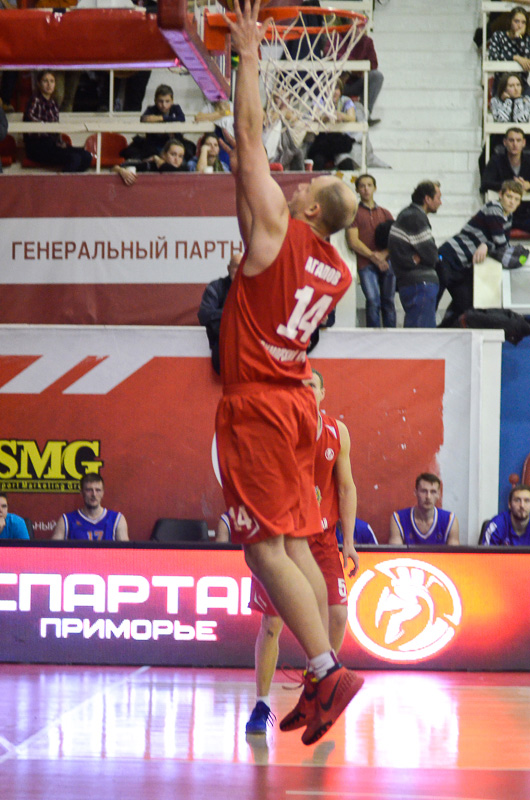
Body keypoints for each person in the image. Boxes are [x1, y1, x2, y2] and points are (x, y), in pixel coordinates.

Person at [216, 0, 361, 748]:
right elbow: (260, 210)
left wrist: (249, 55)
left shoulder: (279, 227)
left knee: (260, 548)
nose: (297, 182)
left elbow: (249, 140)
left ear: (308, 203)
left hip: (259, 406)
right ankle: (317, 674)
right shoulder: (336, 269)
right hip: (298, 403)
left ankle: (328, 669)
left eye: (307, 183)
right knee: (297, 542)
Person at [246, 368, 359, 735]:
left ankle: (319, 686)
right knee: (272, 622)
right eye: (302, 386)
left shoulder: (337, 432)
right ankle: (262, 704)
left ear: (323, 392)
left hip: (322, 537)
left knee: (337, 615)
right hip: (283, 535)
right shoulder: (278, 429)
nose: (307, 390)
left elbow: (346, 488)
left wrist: (349, 541)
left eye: (313, 385)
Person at [437, 180, 523, 326]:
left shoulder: (508, 217)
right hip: (449, 257)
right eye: (509, 196)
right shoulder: (494, 208)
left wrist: (486, 245)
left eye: (516, 199)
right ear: (500, 195)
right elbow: (501, 244)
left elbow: (502, 245)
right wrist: (488, 245)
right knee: (434, 299)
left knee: (465, 304)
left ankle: (443, 331)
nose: (512, 202)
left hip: (463, 265)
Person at [387, 181, 442, 328]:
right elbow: (432, 255)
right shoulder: (415, 217)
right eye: (438, 197)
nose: (441, 202)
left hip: (414, 283)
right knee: (421, 336)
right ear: (427, 199)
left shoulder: (409, 214)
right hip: (420, 285)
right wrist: (414, 260)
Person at [346, 173, 396, 328]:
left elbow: (396, 238)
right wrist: (374, 257)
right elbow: (353, 241)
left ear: (375, 188)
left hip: (387, 262)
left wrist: (384, 254)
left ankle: (392, 335)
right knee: (373, 301)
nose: (366, 189)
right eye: (362, 186)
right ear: (357, 190)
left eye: (369, 185)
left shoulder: (385, 213)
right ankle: (372, 336)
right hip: (366, 264)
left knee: (388, 301)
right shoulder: (353, 213)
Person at [23, 71, 92, 173]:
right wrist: (47, 128)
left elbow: (55, 127)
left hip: (53, 145)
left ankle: (71, 179)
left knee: (87, 156)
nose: (49, 84)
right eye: (45, 81)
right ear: (38, 83)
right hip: (38, 146)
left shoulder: (54, 103)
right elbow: (29, 119)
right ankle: (61, 180)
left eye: (52, 81)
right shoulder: (35, 100)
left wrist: (60, 142)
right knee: (74, 158)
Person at [197, 251, 243, 374]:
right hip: (222, 350)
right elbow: (204, 316)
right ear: (228, 268)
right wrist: (234, 314)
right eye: (236, 266)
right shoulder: (216, 287)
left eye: (243, 266)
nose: (239, 270)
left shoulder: (255, 289)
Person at [120, 84, 188, 162]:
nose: (164, 105)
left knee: (188, 148)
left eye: (167, 101)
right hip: (155, 144)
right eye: (160, 101)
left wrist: (161, 118)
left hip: (172, 143)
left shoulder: (176, 108)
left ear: (172, 101)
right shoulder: (151, 109)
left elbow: (181, 119)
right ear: (155, 101)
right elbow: (143, 119)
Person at [51, 473, 129, 541]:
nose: (94, 494)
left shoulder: (116, 519)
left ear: (103, 493)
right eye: (89, 490)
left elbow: (125, 551)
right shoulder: (67, 520)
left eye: (98, 490)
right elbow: (53, 551)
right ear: (82, 492)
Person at [480, 127, 530, 232]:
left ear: (524, 143)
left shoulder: (528, 160)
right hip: (502, 213)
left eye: (518, 140)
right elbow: (485, 183)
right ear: (505, 142)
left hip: (525, 214)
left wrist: (528, 185)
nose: (515, 144)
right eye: (511, 140)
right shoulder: (496, 160)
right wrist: (509, 185)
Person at [389, 473, 460, 546]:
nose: (428, 497)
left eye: (433, 492)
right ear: (416, 492)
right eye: (423, 491)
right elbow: (395, 551)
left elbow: (454, 553)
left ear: (438, 494)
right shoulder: (398, 519)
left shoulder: (450, 520)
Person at [341, 32, 384, 124]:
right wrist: (356, 67)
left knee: (377, 76)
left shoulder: (367, 41)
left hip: (356, 81)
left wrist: (352, 70)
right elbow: (335, 57)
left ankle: (365, 114)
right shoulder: (338, 38)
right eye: (356, 26)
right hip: (339, 82)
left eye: (361, 26)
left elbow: (373, 65)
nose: (358, 29)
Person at [488, 7, 530, 96]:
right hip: (501, 84)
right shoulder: (499, 36)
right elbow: (493, 56)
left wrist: (519, 38)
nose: (520, 26)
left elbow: (526, 60)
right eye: (516, 21)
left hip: (521, 84)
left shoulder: (527, 40)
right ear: (510, 21)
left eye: (523, 22)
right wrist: (515, 58)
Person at [113, 139, 189, 187]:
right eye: (173, 154)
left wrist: (156, 158)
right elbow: (114, 168)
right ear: (164, 155)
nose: (176, 159)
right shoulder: (151, 165)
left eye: (180, 156)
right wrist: (122, 171)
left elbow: (170, 170)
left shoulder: (184, 169)